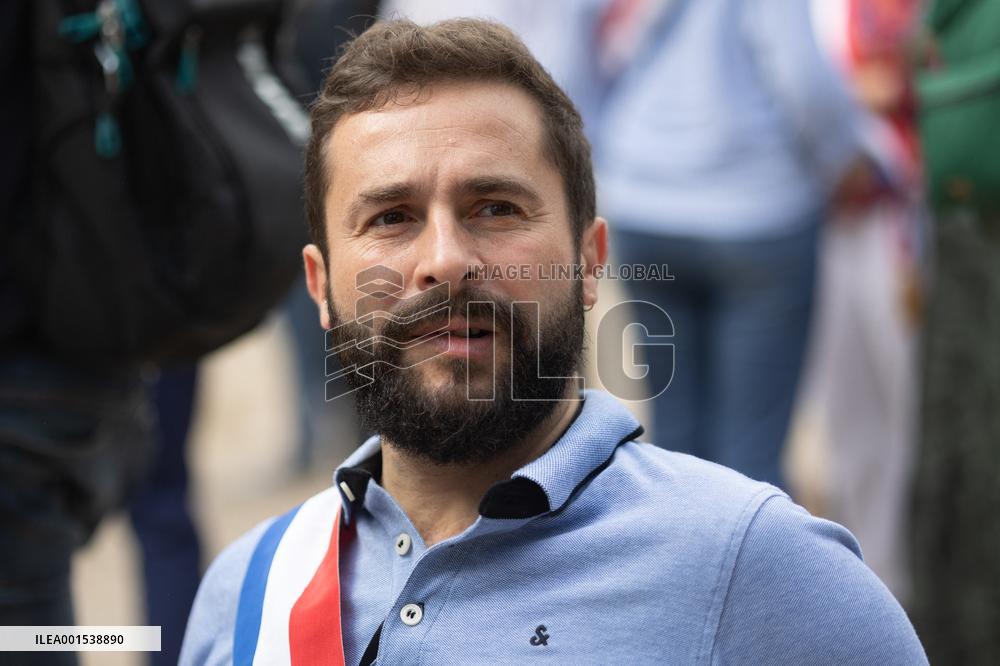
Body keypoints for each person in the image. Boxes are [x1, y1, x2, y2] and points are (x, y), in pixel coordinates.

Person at [180, 19, 926, 664]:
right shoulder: (246, 591)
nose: (444, 259)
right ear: (320, 286)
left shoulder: (762, 570)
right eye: (390, 218)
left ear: (590, 261)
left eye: (496, 207)